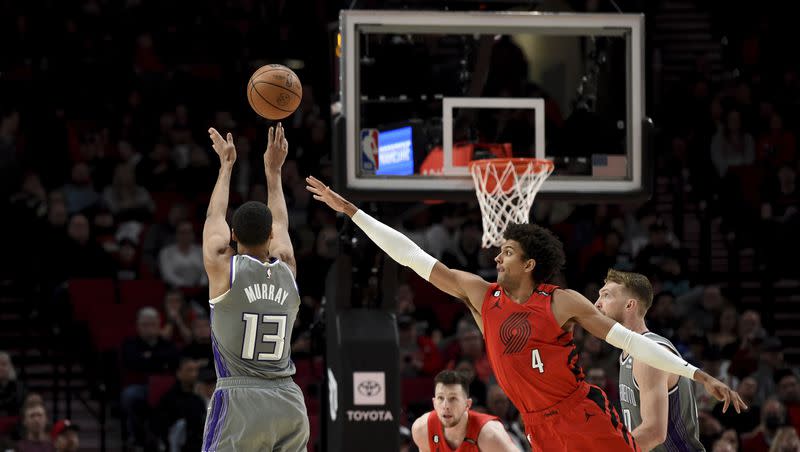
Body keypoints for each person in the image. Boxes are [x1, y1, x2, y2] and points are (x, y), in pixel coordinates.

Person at [305, 176, 746, 452]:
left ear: (530, 264)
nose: (498, 258)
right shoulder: (481, 296)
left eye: (508, 252)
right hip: (536, 425)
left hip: (582, 416)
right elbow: (413, 257)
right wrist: (353, 213)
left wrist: (697, 375)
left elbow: (632, 342)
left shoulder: (561, 301)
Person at [201, 124, 308, 451]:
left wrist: (226, 167)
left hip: (240, 400)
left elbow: (212, 216)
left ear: (233, 234)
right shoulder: (287, 268)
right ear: (271, 237)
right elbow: (281, 222)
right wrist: (273, 171)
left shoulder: (223, 266)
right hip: (288, 401)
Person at [594, 269, 706, 451]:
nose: (597, 304)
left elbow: (653, 432)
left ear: (629, 305)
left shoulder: (648, 355)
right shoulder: (629, 352)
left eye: (606, 296)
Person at [411, 370, 518, 451]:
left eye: (453, 398)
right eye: (440, 398)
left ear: (467, 404)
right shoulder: (422, 429)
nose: (445, 406)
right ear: (434, 403)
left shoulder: (490, 435)